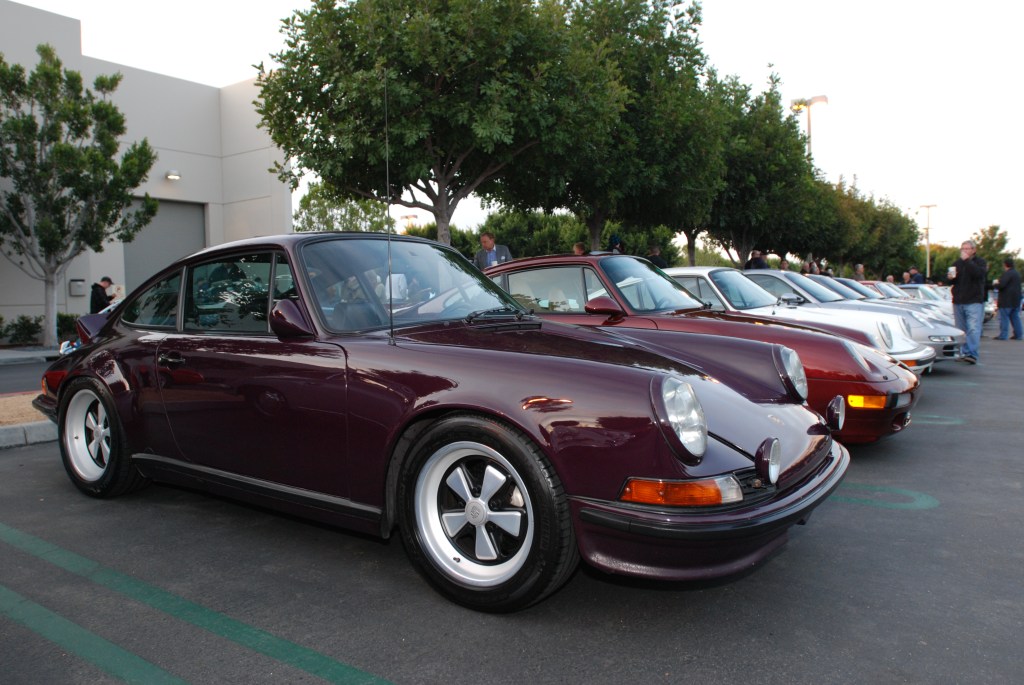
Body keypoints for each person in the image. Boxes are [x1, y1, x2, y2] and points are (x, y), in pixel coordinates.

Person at [949, 239, 988, 363]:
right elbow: (952, 281)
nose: (964, 251)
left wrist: (967, 261)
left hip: (973, 300)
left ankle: (972, 354)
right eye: (963, 249)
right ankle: (962, 352)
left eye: (967, 249)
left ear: (974, 250)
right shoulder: (957, 263)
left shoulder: (980, 262)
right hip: (959, 300)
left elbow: (978, 274)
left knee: (973, 328)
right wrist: (950, 278)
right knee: (961, 329)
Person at [994, 258, 1022, 341]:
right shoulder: (1017, 274)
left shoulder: (1007, 274)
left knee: (1004, 318)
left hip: (1006, 300)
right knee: (1015, 317)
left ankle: (1003, 335)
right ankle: (1018, 334)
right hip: (1016, 299)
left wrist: (996, 284)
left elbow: (1001, 285)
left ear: (1005, 264)